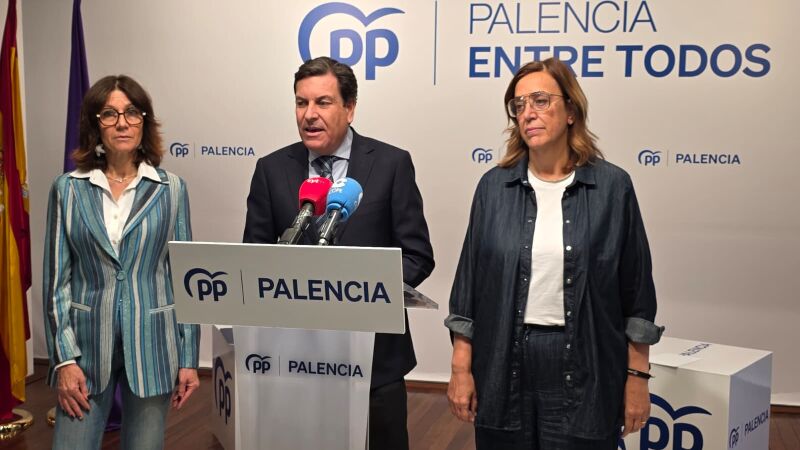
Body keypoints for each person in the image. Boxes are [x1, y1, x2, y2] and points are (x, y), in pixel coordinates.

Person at [445, 58, 664, 449]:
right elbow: (468, 287)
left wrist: (637, 378)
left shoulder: (612, 188)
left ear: (571, 110)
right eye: (519, 105)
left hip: (586, 365)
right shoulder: (493, 188)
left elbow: (637, 296)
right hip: (502, 362)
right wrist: (461, 368)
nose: (528, 113)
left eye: (541, 100)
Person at [243, 56, 434, 450]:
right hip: (294, 359)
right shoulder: (271, 169)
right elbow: (254, 258)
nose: (309, 114)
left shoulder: (391, 164)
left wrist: (361, 293)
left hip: (375, 360)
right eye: (301, 103)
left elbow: (417, 255)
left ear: (350, 108)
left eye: (323, 102)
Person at [43, 75, 200, 450]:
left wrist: (189, 357)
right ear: (95, 123)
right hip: (84, 349)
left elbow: (184, 278)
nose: (122, 122)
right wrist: (64, 361)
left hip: (153, 344)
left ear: (144, 121)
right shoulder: (67, 189)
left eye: (132, 112)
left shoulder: (171, 190)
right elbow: (56, 283)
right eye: (109, 114)